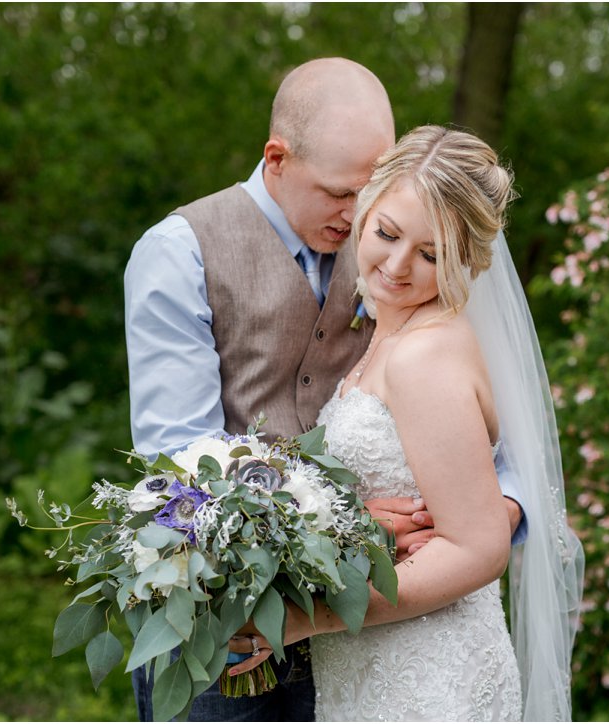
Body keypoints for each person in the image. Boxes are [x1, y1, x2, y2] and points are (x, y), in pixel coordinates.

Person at [124, 58, 525, 721]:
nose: (360, 214)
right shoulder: (179, 253)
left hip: (388, 633)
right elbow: (184, 461)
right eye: (342, 194)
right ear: (277, 159)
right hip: (225, 628)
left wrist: (482, 521)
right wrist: (343, 530)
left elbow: (488, 452)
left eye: (370, 193)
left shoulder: (398, 250)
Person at [232, 126, 584, 721]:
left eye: (431, 254)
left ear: (467, 260)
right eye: (387, 234)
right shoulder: (387, 333)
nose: (396, 266)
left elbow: (476, 549)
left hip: (426, 674)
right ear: (364, 212)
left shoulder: (426, 354)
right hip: (377, 663)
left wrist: (299, 621)